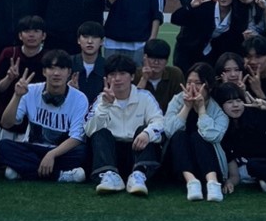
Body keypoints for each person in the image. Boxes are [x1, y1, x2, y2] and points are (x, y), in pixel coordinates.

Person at [0, 50, 90, 183]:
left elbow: (77, 137)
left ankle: (23, 170)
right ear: (44, 72)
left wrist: (51, 154)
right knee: (3, 147)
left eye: (61, 68)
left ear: (69, 72)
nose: (56, 73)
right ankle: (60, 175)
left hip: (60, 152)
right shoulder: (30, 90)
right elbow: (6, 123)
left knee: (82, 152)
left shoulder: (79, 98)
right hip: (33, 148)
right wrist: (17, 96)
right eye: (51, 68)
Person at [84, 54, 165, 195]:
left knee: (144, 130)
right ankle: (109, 175)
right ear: (107, 78)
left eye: (122, 74)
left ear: (132, 76)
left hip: (136, 151)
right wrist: (105, 106)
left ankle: (139, 175)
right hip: (111, 154)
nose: (117, 79)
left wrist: (147, 134)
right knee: (100, 133)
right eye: (112, 74)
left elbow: (160, 122)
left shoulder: (145, 97)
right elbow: (89, 130)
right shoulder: (101, 99)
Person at [0, 15, 47, 165]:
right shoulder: (9, 54)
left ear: (43, 36)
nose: (31, 35)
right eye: (27, 31)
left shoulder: (48, 57)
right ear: (20, 35)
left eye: (36, 31)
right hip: (6, 115)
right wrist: (9, 78)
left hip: (33, 121)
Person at [162, 64, 229, 202]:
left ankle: (212, 183)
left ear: (209, 86)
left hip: (209, 164)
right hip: (181, 164)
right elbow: (169, 132)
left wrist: (202, 110)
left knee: (198, 136)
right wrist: (186, 108)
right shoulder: (177, 100)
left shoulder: (217, 110)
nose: (192, 87)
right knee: (179, 135)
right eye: (189, 82)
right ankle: (192, 182)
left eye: (198, 83)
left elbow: (213, 136)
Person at [170, 0, 237, 72]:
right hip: (188, 53)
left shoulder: (237, 13)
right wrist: (191, 6)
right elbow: (175, 19)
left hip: (212, 56)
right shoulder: (206, 6)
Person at [132, 38, 185, 113]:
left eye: (161, 59)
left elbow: (181, 103)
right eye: (153, 58)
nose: (156, 62)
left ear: (167, 61)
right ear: (145, 58)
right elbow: (132, 104)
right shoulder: (134, 74)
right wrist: (144, 79)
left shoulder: (175, 74)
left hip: (168, 117)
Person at [70, 20, 106, 104]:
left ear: (101, 41)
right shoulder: (68, 63)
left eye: (95, 37)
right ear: (78, 40)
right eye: (85, 37)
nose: (90, 41)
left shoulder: (107, 66)